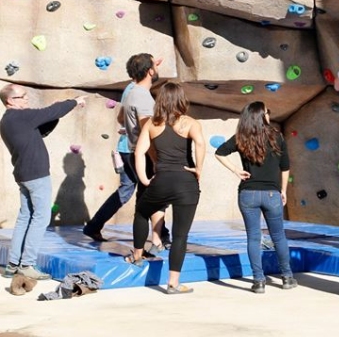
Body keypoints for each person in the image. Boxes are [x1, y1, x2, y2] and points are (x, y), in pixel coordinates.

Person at [0, 84, 86, 281]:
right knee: (41, 218)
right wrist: (74, 102)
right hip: (36, 175)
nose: (27, 99)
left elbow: (44, 127)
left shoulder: (8, 120)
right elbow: (51, 112)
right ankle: (27, 263)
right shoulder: (20, 116)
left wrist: (55, 113)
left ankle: (12, 264)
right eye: (22, 96)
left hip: (23, 174)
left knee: (25, 217)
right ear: (10, 101)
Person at [84, 54, 169, 251]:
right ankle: (159, 238)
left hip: (129, 148)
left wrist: (130, 128)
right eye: (153, 67)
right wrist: (156, 159)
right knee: (150, 195)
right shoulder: (141, 95)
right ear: (149, 71)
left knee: (134, 192)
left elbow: (122, 116)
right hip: (140, 152)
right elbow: (146, 130)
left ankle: (96, 225)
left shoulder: (131, 91)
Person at [127, 82, 205, 295]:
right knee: (180, 235)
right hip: (186, 183)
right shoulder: (190, 123)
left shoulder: (152, 124)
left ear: (160, 101)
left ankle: (137, 255)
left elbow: (139, 152)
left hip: (161, 180)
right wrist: (198, 168)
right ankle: (173, 283)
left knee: (142, 212)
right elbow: (200, 144)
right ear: (182, 100)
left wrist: (144, 179)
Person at [214, 101, 298, 294]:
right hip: (271, 194)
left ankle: (258, 281)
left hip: (248, 193)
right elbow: (285, 166)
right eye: (267, 112)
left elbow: (219, 153)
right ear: (262, 116)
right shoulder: (276, 136)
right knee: (278, 236)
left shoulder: (242, 138)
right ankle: (287, 277)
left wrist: (237, 170)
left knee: (253, 237)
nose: (269, 114)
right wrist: (283, 190)